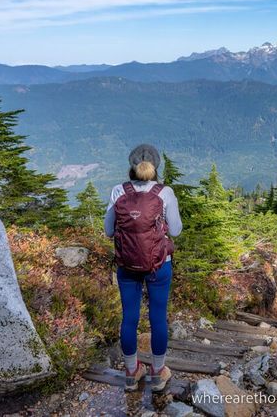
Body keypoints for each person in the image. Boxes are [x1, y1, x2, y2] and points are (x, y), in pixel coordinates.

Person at [104, 143, 183, 392]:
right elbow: (177, 230)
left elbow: (108, 231)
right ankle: (158, 373)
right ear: (155, 167)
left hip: (127, 266)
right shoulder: (164, 192)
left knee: (129, 318)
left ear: (131, 166)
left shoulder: (119, 191)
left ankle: (131, 372)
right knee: (158, 317)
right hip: (159, 265)